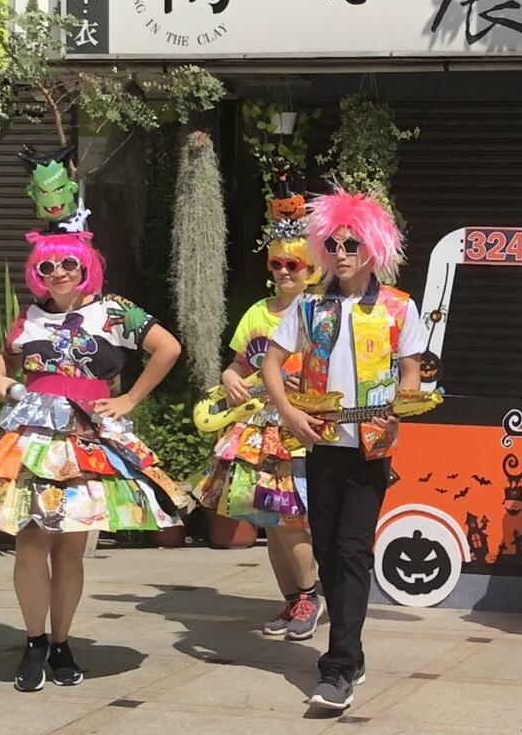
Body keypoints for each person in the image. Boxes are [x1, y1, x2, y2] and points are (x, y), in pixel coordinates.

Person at [0, 146, 187, 692]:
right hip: (32, 437)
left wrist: (130, 400)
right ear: (37, 272)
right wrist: (0, 381)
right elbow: (3, 361)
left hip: (87, 438)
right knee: (31, 540)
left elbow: (168, 347)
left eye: (68, 265)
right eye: (47, 266)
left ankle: (61, 643)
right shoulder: (28, 317)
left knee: (71, 543)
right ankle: (33, 643)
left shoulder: (114, 311)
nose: (57, 274)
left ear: (85, 267)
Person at [263, 188, 426, 711]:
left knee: (353, 550)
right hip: (322, 441)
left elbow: (412, 369)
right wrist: (290, 413)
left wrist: (403, 403)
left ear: (372, 247)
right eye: (332, 243)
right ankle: (350, 655)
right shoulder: (310, 305)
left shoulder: (398, 306)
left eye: (351, 243)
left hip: (371, 448)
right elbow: (271, 362)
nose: (341, 252)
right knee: (328, 551)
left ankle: (337, 668)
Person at [191, 197, 323, 642]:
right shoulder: (257, 313)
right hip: (258, 430)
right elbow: (237, 365)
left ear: (311, 269)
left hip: (301, 430)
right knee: (270, 520)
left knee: (292, 519)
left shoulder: (321, 313)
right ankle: (291, 601)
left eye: (293, 265)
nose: (284, 272)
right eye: (276, 264)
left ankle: (310, 596)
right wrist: (230, 377)